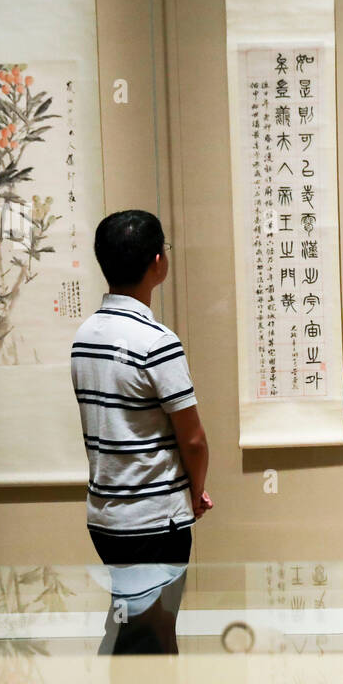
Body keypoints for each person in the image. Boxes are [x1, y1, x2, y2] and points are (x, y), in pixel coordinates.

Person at [71, 209, 211, 567]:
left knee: (129, 617)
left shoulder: (84, 336)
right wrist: (194, 495)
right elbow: (193, 440)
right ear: (158, 262)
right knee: (155, 622)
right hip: (155, 521)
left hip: (104, 517)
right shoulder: (158, 342)